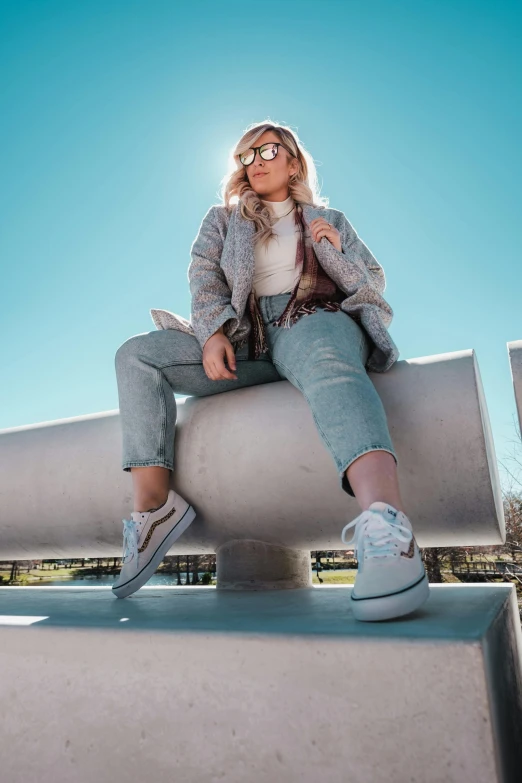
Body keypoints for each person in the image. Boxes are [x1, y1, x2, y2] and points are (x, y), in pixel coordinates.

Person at [112, 121, 430, 621]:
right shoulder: (223, 220)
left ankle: (388, 530)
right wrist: (213, 330)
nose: (255, 161)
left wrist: (339, 255)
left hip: (313, 318)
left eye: (267, 150)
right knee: (136, 354)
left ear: (293, 161)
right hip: (246, 341)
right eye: (245, 156)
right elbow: (204, 276)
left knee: (328, 364)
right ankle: (154, 512)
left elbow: (371, 283)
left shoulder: (329, 217)